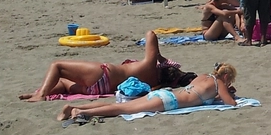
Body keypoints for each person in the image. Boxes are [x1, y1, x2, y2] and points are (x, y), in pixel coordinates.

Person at [20, 31, 192, 101]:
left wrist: (159, 56)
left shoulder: (149, 65)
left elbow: (150, 34)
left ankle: (41, 95)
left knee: (56, 66)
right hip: (101, 89)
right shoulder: (154, 83)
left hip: (103, 74)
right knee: (64, 82)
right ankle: (37, 92)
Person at [57, 63, 237, 121]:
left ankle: (74, 106)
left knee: (118, 105)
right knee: (121, 110)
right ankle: (81, 112)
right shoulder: (218, 82)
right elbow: (231, 103)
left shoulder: (203, 76)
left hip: (165, 94)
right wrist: (228, 92)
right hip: (169, 102)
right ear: (226, 76)